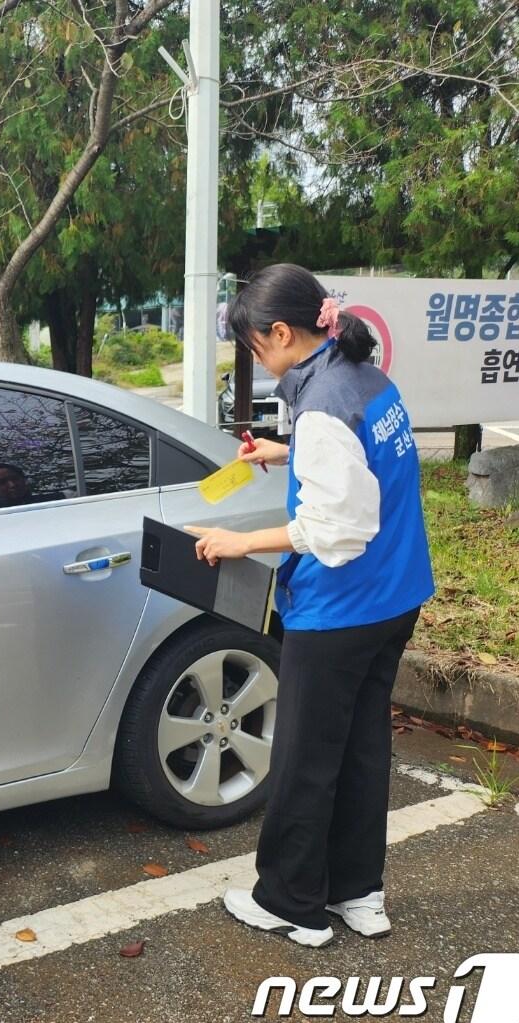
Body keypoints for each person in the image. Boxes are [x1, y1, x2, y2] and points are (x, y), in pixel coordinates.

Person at [185, 263, 434, 947]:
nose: (259, 360)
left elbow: (335, 531)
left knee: (303, 757)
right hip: (397, 594)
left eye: (256, 346)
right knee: (359, 747)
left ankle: (292, 902)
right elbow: (359, 467)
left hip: (343, 608)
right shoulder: (366, 376)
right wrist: (284, 451)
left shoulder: (321, 405)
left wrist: (239, 542)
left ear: (284, 333)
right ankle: (359, 892)